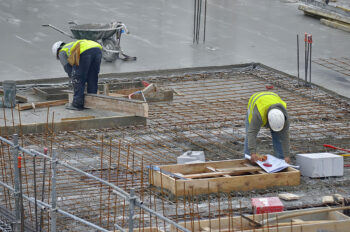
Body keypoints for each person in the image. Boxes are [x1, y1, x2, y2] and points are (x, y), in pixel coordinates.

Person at [52, 39, 102, 110]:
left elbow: (68, 69)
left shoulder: (62, 52)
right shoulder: (71, 46)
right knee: (92, 77)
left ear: (57, 51)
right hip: (97, 49)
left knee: (77, 78)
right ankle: (92, 102)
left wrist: (73, 79)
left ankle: (77, 104)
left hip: (84, 52)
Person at [244, 91, 290, 163]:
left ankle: (281, 162)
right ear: (268, 120)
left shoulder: (284, 117)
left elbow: (285, 137)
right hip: (257, 102)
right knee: (249, 135)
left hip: (271, 98)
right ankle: (248, 159)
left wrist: (286, 155)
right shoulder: (258, 115)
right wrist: (253, 152)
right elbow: (251, 133)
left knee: (278, 136)